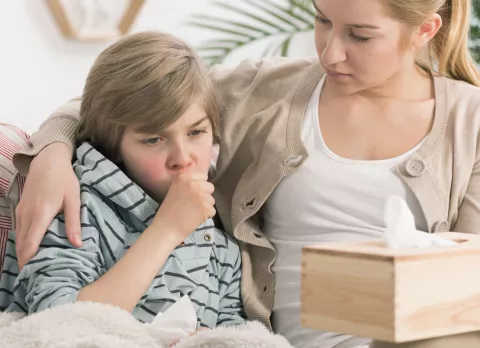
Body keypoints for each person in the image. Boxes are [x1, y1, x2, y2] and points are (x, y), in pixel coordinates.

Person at [6, 0, 480, 346]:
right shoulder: (265, 90)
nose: (330, 52)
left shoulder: (470, 123)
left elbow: (468, 292)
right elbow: (125, 101)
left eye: (359, 35)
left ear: (424, 29)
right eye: (321, 20)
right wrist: (51, 153)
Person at [0, 31, 245, 329]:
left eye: (196, 133)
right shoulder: (75, 210)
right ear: (113, 147)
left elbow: (233, 334)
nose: (183, 157)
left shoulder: (222, 248)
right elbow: (58, 323)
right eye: (154, 139)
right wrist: (166, 229)